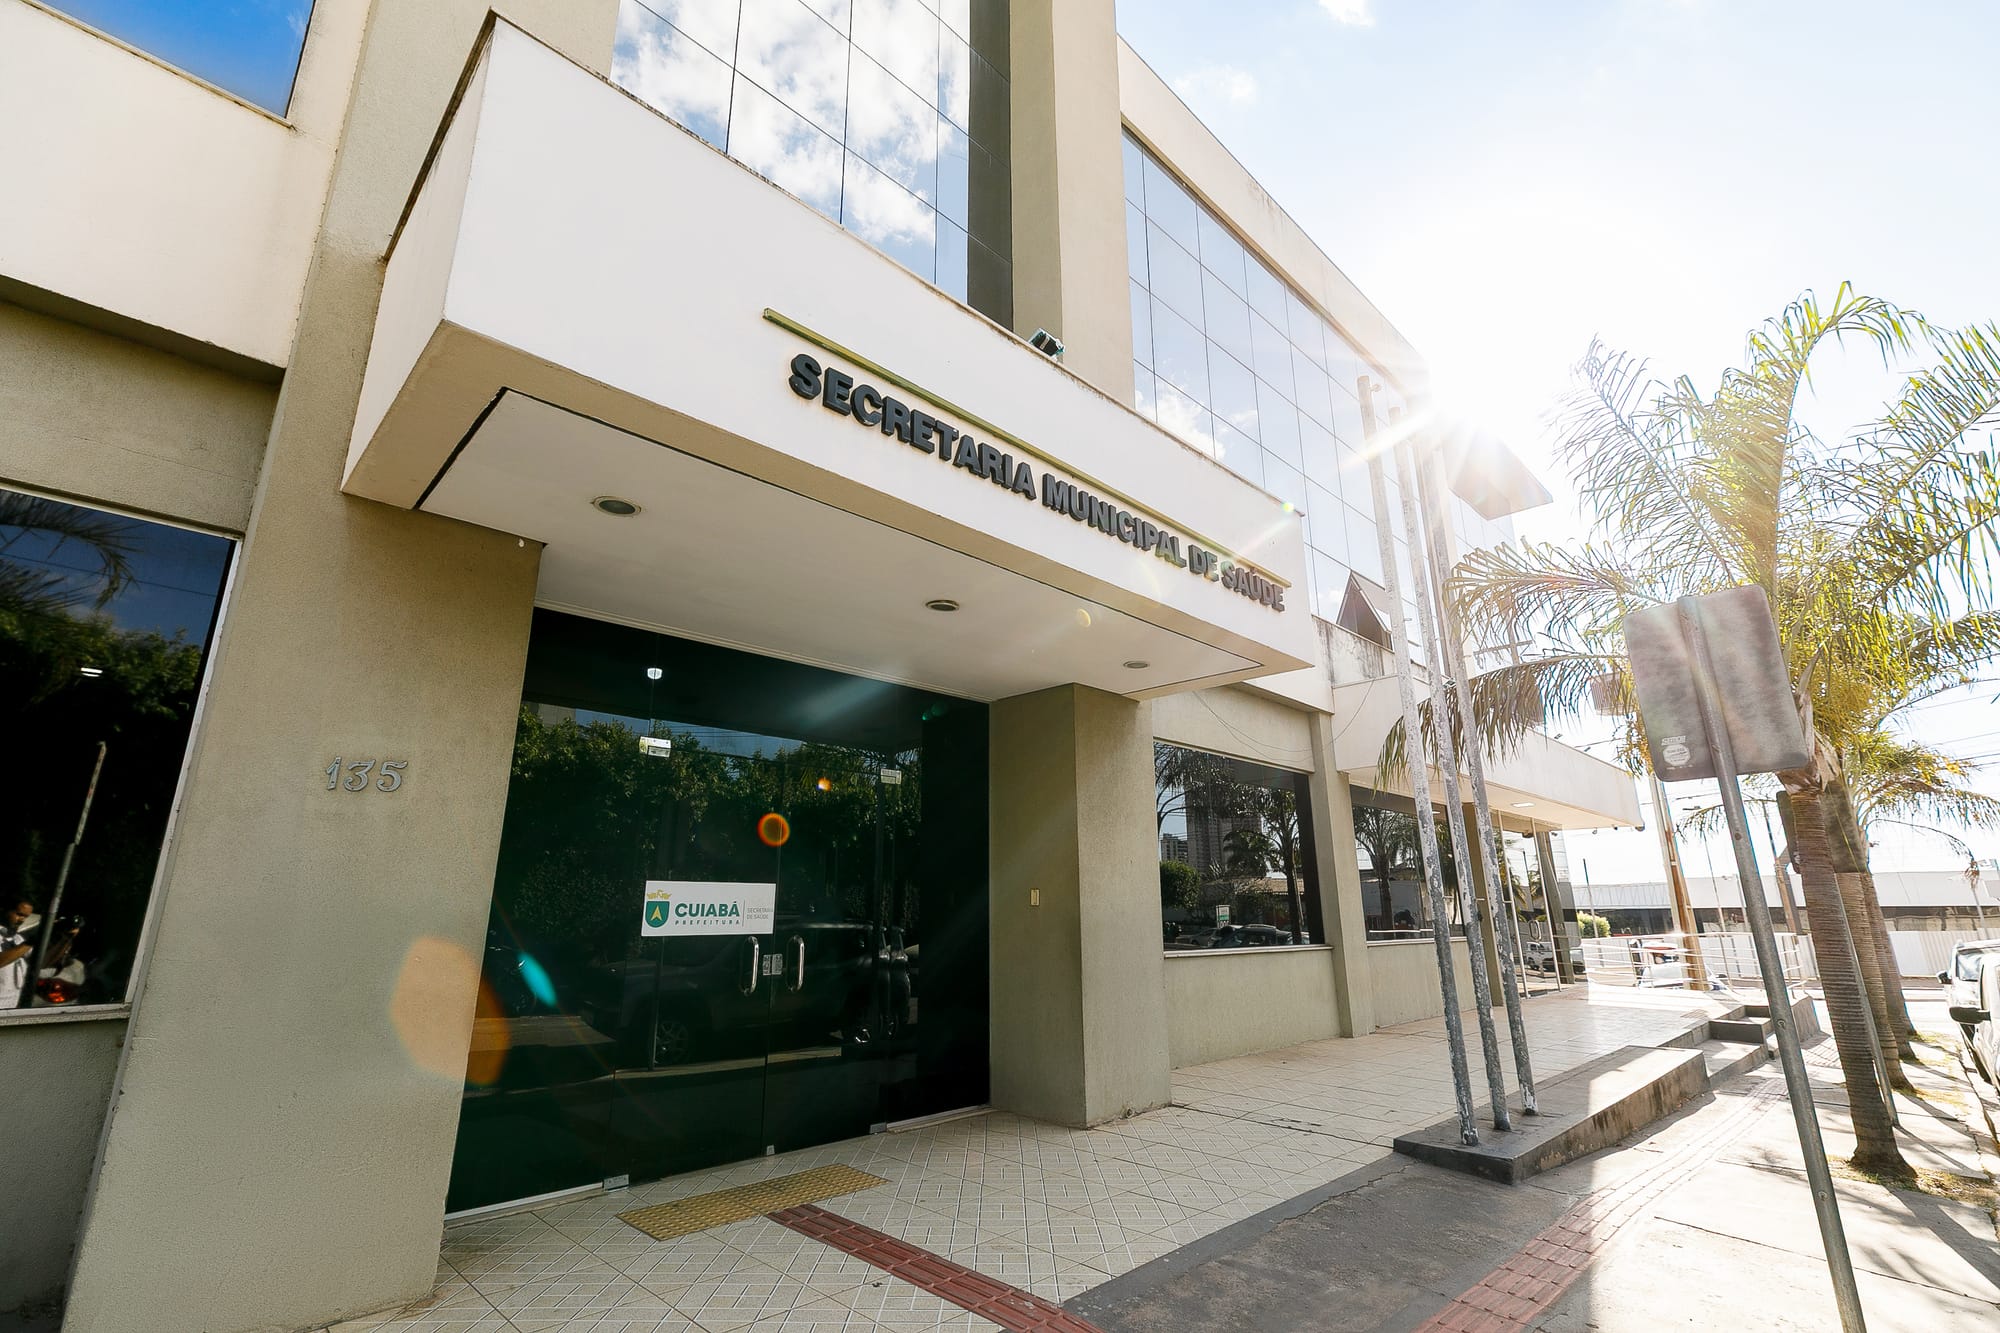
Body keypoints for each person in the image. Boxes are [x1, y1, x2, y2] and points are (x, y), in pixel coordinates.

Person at [1, 899, 36, 1010]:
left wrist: (65, 939)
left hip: (13, 1006)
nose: (22, 920)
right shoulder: (24, 942)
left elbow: (42, 963)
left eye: (26, 917)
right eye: (19, 914)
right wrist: (32, 941)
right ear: (5, 910)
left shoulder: (18, 939)